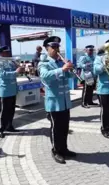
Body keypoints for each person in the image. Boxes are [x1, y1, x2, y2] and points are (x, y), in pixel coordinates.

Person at [38, 36, 76, 164]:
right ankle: (56, 150)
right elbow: (44, 76)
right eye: (53, 47)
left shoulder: (60, 62)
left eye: (57, 47)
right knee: (56, 128)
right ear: (47, 49)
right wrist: (62, 69)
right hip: (54, 102)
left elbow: (68, 76)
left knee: (65, 127)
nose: (56, 49)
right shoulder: (44, 63)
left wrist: (70, 69)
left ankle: (64, 149)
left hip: (65, 101)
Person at [0, 45, 25, 138]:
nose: (8, 53)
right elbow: (2, 75)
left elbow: (16, 73)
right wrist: (16, 72)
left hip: (12, 90)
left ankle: (9, 125)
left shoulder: (11, 62)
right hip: (5, 90)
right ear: (1, 53)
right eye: (6, 52)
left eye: (8, 52)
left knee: (11, 110)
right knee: (4, 111)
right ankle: (1, 129)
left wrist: (20, 68)